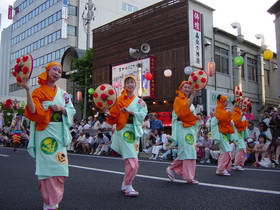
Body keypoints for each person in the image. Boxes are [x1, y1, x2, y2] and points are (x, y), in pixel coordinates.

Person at [21, 62, 76, 210]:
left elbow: (71, 111)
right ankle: (49, 202)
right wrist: (27, 90)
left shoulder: (64, 94)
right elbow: (32, 111)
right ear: (47, 71)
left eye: (59, 71)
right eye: (54, 69)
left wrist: (61, 108)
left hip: (59, 132)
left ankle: (54, 199)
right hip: (44, 133)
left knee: (60, 168)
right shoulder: (37, 92)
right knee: (46, 169)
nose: (57, 72)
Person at [106, 76, 147, 197]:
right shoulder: (118, 100)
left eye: (132, 82)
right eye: (127, 83)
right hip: (123, 131)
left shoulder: (139, 101)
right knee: (132, 161)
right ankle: (128, 185)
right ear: (124, 86)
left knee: (132, 160)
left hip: (134, 131)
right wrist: (107, 113)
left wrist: (131, 112)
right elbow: (112, 117)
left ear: (135, 85)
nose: (130, 84)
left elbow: (143, 114)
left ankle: (126, 184)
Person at [166, 81, 199, 184]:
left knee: (190, 152)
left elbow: (190, 113)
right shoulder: (178, 99)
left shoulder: (189, 101)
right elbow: (185, 110)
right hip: (182, 127)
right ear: (180, 88)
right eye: (185, 87)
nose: (187, 89)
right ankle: (189, 177)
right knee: (187, 151)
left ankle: (172, 168)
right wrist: (193, 95)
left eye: (189, 88)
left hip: (190, 129)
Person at [211, 95, 234, 176]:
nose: (226, 103)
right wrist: (215, 136)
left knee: (224, 152)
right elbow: (213, 123)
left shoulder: (222, 111)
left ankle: (221, 169)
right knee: (227, 151)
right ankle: (221, 169)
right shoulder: (219, 111)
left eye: (226, 101)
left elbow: (227, 123)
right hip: (220, 134)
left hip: (223, 134)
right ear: (220, 102)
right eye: (224, 101)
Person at [231, 100, 249, 171]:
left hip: (240, 134)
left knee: (241, 148)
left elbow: (244, 125)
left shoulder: (240, 112)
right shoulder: (235, 112)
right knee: (241, 148)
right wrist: (242, 115)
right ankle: (237, 164)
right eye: (240, 103)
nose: (241, 104)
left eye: (242, 103)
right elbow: (236, 123)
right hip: (236, 133)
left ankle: (238, 164)